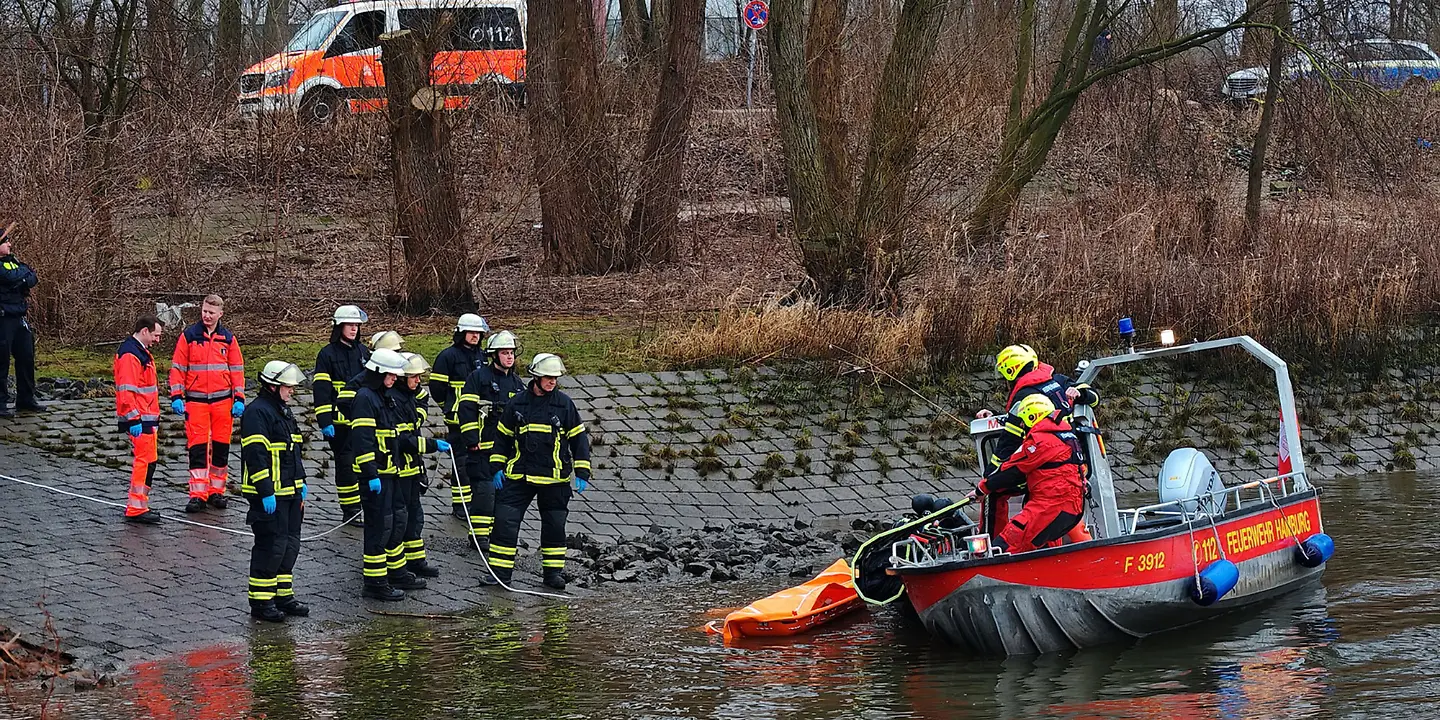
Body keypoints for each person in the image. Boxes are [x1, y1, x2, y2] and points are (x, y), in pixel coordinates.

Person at [482, 353, 590, 590]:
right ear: (536, 377)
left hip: (554, 478)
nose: (553, 382)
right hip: (519, 475)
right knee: (504, 524)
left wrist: (582, 471)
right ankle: (500, 574)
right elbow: (502, 438)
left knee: (554, 527)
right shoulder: (517, 403)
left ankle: (552, 575)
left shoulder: (564, 404)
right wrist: (496, 468)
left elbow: (578, 439)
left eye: (555, 378)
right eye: (548, 378)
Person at [976, 344, 1098, 537]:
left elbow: (1009, 442)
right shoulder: (1056, 381)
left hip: (1043, 465)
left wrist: (989, 480)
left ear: (1010, 371)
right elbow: (1092, 397)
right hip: (1074, 462)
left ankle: (989, 547)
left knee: (995, 494)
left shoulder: (1024, 396)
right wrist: (1081, 393)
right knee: (1054, 509)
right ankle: (1078, 546)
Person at [971, 395, 1085, 554]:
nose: (1023, 426)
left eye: (1023, 421)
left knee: (1004, 544)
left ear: (1032, 417)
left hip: (1050, 507)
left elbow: (1013, 470)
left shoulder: (1039, 440)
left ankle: (984, 564)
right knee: (1036, 547)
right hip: (1071, 508)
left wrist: (981, 489)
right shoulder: (1066, 435)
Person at [241, 361, 309, 623]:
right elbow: (256, 455)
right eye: (287, 387)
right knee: (271, 546)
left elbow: (294, 452)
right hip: (270, 495)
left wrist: (301, 483)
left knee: (289, 545)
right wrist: (265, 490)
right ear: (273, 386)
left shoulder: (282, 411)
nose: (291, 391)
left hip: (290, 491)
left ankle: (283, 595)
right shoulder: (257, 413)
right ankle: (261, 601)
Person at [350, 348, 421, 601]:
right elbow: (362, 440)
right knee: (380, 527)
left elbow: (395, 436)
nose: (394, 380)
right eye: (391, 375)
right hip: (377, 475)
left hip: (393, 473)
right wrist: (370, 474)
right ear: (378, 373)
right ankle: (375, 582)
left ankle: (396, 571)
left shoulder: (385, 397)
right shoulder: (365, 398)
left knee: (397, 521)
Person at [169, 295, 245, 513]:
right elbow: (178, 368)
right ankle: (197, 495)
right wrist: (176, 396)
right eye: (204, 311)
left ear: (220, 314)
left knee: (221, 448)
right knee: (198, 449)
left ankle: (216, 492)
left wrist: (239, 398)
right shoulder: (189, 336)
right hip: (196, 402)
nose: (207, 315)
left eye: (211, 312)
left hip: (222, 402)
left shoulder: (228, 338)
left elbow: (237, 370)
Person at [456, 330, 525, 548]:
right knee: (485, 495)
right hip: (482, 449)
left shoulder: (517, 383)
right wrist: (471, 439)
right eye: (505, 353)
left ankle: (495, 535)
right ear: (494, 355)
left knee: (503, 496)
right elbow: (466, 410)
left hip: (506, 452)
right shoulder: (478, 379)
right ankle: (478, 536)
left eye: (511, 353)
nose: (509, 357)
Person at [312, 305, 370, 525]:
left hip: (362, 419)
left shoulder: (363, 352)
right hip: (339, 422)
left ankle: (365, 503)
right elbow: (321, 391)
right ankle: (350, 509)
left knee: (363, 463)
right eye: (350, 325)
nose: (354, 329)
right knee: (345, 466)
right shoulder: (327, 355)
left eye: (356, 325)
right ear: (339, 327)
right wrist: (325, 421)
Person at [393, 352, 449, 578]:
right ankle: (397, 568)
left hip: (412, 468)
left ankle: (416, 560)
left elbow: (417, 417)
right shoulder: (394, 401)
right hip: (397, 471)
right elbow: (404, 440)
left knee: (415, 517)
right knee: (400, 520)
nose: (419, 381)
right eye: (414, 377)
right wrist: (433, 444)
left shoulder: (408, 397)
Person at [430, 313, 489, 521]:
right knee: (461, 463)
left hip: (479, 420)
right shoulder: (448, 357)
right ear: (461, 332)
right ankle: (460, 504)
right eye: (471, 332)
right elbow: (436, 388)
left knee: (477, 463)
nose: (475, 336)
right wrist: (449, 408)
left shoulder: (482, 356)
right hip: (457, 420)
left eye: (478, 333)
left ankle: (474, 501)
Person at [114, 315, 166, 525]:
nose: (157, 340)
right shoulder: (131, 355)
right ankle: (136, 507)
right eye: (156, 335)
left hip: (146, 418)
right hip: (141, 418)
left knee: (149, 462)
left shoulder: (138, 352)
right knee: (144, 463)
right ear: (145, 331)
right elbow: (127, 391)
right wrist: (134, 418)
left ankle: (140, 504)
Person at [0, 221, 44, 417]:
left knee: (26, 357)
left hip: (20, 316)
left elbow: (31, 275)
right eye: (6, 242)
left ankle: (26, 399)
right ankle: (1, 403)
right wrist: (20, 279)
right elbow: (9, 278)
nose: (10, 245)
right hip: (3, 318)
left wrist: (20, 278)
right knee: (1, 361)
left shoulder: (13, 260)